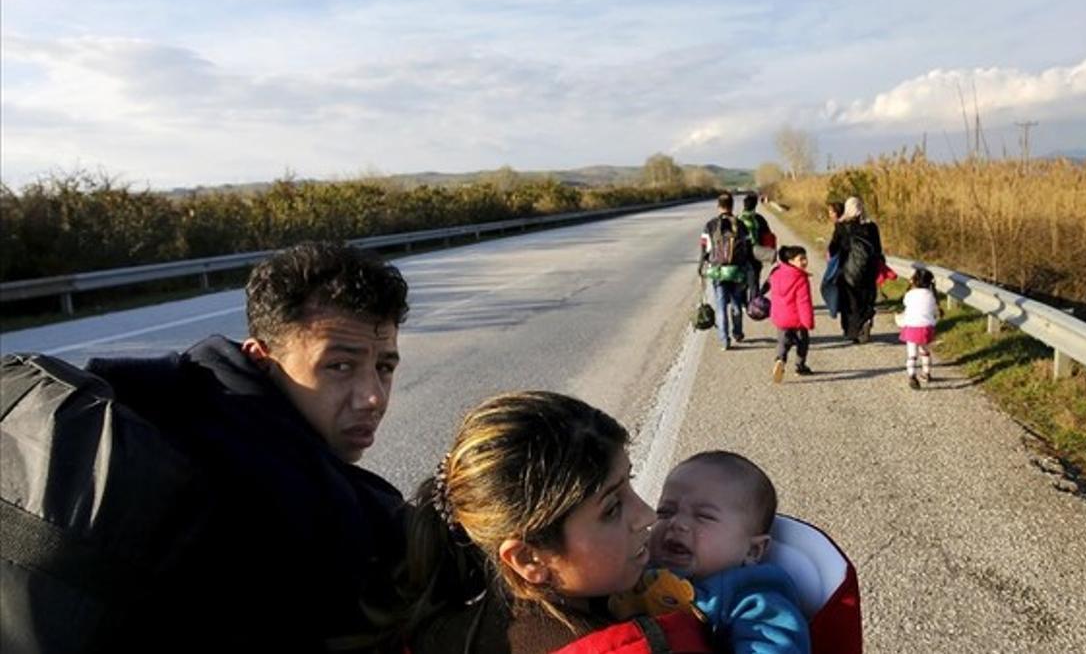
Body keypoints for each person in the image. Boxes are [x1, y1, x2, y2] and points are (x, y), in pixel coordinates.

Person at [79, 241, 411, 651]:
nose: (372, 397)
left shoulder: (193, 386)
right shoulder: (295, 499)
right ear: (260, 359)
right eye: (339, 366)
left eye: (384, 367)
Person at [403, 391, 679, 653]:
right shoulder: (630, 646)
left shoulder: (441, 631)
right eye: (612, 508)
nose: (647, 514)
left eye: (629, 481)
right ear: (528, 559)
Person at [648, 451, 811, 653]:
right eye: (665, 512)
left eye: (703, 516)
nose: (677, 523)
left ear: (752, 551)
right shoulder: (635, 565)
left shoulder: (752, 598)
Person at [700, 192, 752, 350]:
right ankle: (737, 332)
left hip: (718, 271)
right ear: (732, 206)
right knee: (736, 303)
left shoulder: (710, 225)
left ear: (718, 206)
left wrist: (701, 266)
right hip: (736, 271)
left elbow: (705, 249)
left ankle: (724, 340)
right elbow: (748, 248)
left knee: (721, 305)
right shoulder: (740, 224)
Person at [827, 197, 883, 343]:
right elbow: (877, 249)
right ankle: (866, 321)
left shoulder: (841, 226)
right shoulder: (871, 226)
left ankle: (851, 331)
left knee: (850, 302)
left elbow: (833, 248)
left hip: (847, 270)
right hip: (868, 270)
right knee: (866, 298)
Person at [761, 246, 816, 383]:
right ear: (790, 261)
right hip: (797, 319)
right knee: (803, 342)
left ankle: (780, 361)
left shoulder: (776, 273)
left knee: (783, 342)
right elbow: (804, 302)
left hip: (780, 317)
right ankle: (800, 365)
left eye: (805, 258)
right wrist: (808, 322)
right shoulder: (800, 278)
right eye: (801, 259)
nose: (805, 262)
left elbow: (768, 287)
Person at [898, 268, 941, 389]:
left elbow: (905, 303)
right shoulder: (931, 296)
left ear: (914, 280)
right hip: (926, 328)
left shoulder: (909, 295)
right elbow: (933, 310)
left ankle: (912, 375)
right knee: (925, 352)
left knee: (912, 354)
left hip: (911, 327)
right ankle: (926, 373)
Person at [738, 192, 775, 302]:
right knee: (754, 280)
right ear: (755, 205)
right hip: (756, 253)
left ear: (744, 205)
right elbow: (768, 236)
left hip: (741, 254)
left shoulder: (738, 219)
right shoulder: (759, 219)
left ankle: (743, 302)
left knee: (742, 278)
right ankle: (754, 303)